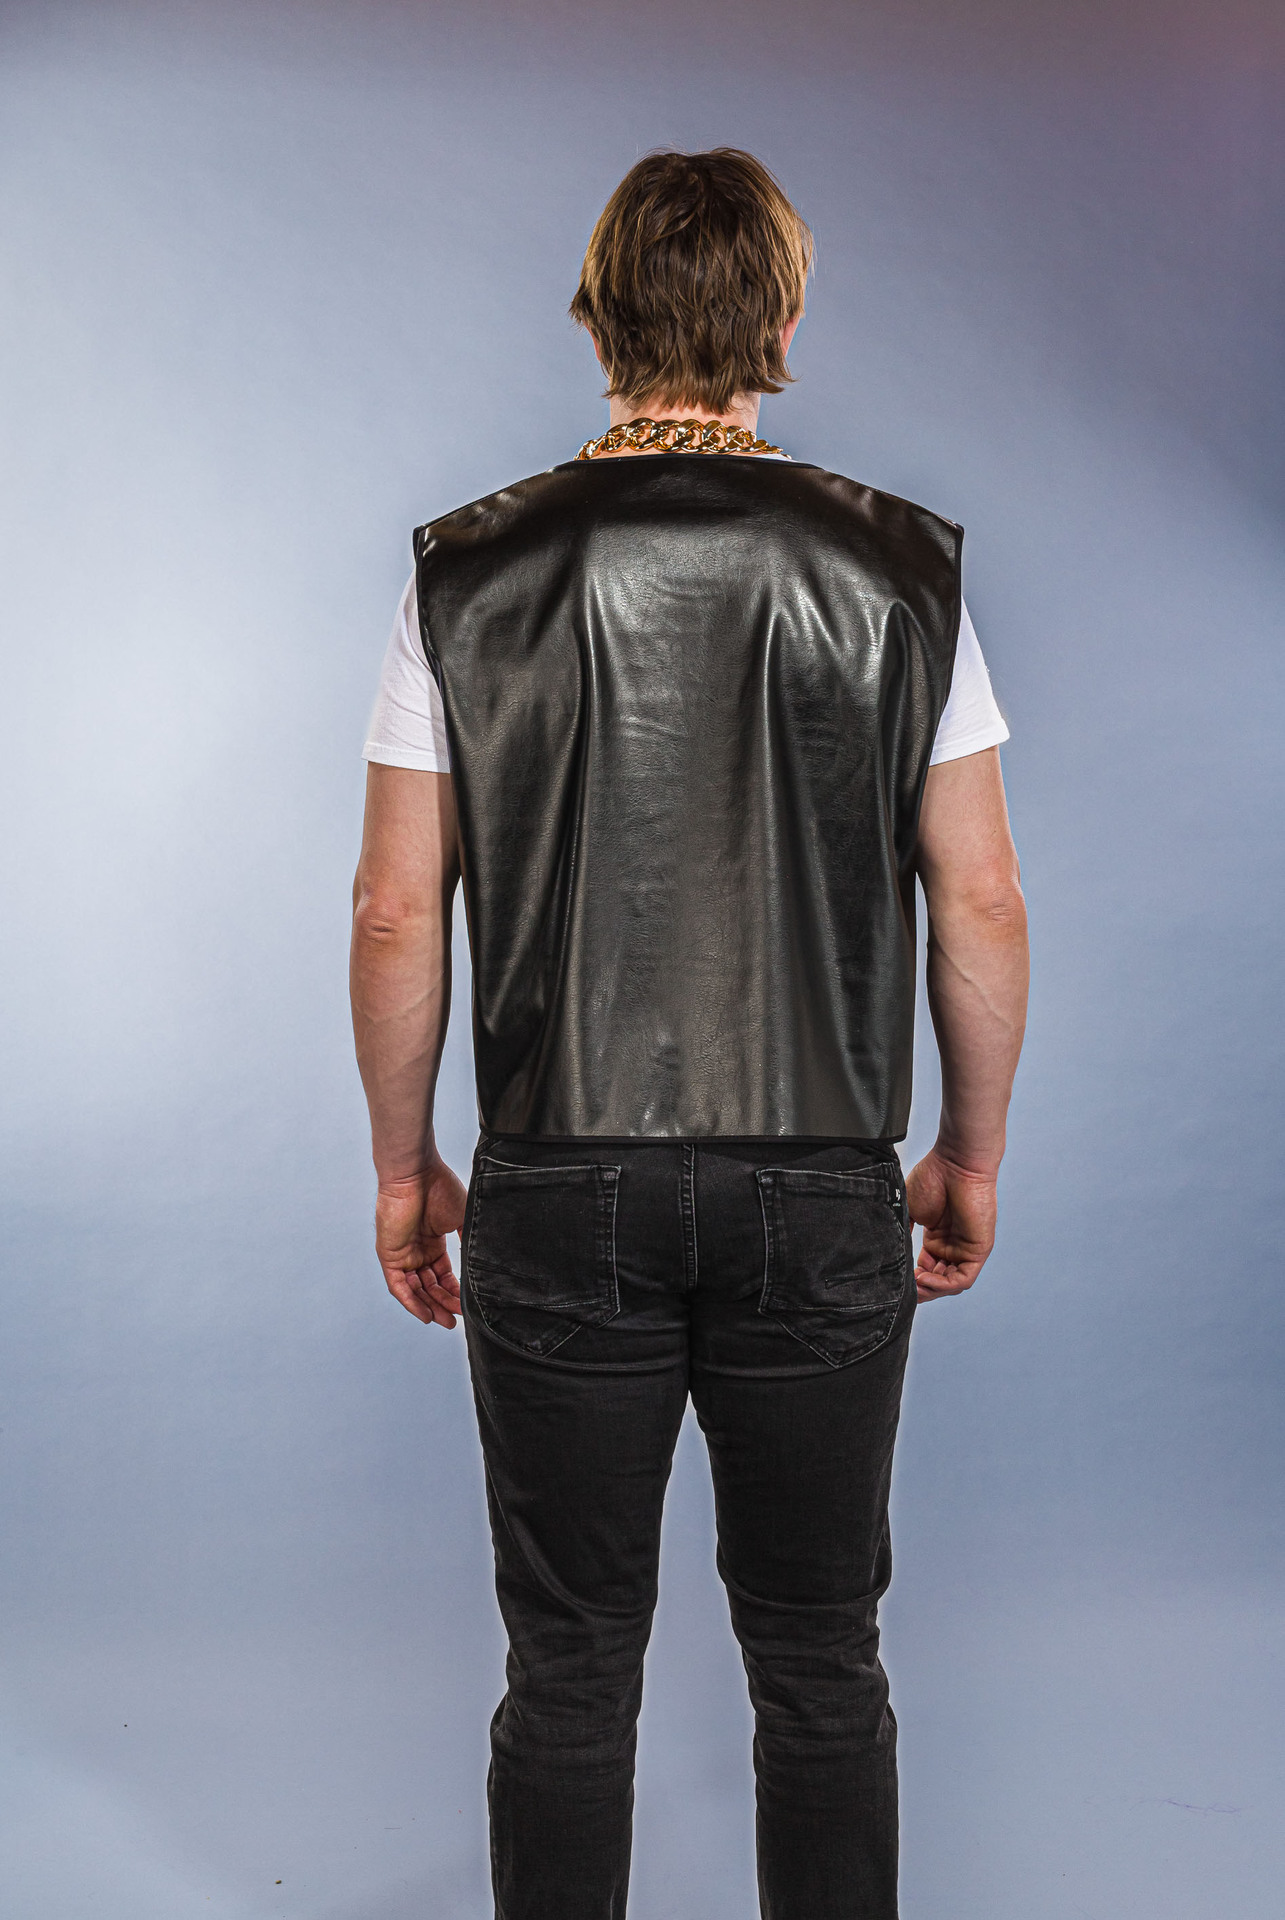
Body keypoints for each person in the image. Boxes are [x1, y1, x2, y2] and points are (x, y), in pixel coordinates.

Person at [350, 148, 1028, 1920]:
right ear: (780, 320)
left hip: (556, 1176)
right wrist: (965, 1155)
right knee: (820, 1658)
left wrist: (403, 1168)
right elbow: (978, 899)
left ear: (599, 317)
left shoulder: (463, 576)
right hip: (818, 1179)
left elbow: (396, 910)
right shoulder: (902, 571)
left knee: (569, 1663)